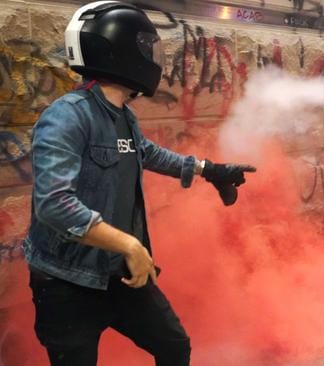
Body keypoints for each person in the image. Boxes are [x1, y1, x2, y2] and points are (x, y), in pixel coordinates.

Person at [24, 2, 256, 365]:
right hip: (68, 284)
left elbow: (147, 153)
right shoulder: (66, 116)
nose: (153, 58)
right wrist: (128, 244)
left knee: (174, 346)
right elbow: (54, 204)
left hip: (121, 274)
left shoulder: (123, 117)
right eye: (145, 47)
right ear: (117, 50)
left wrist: (208, 169)